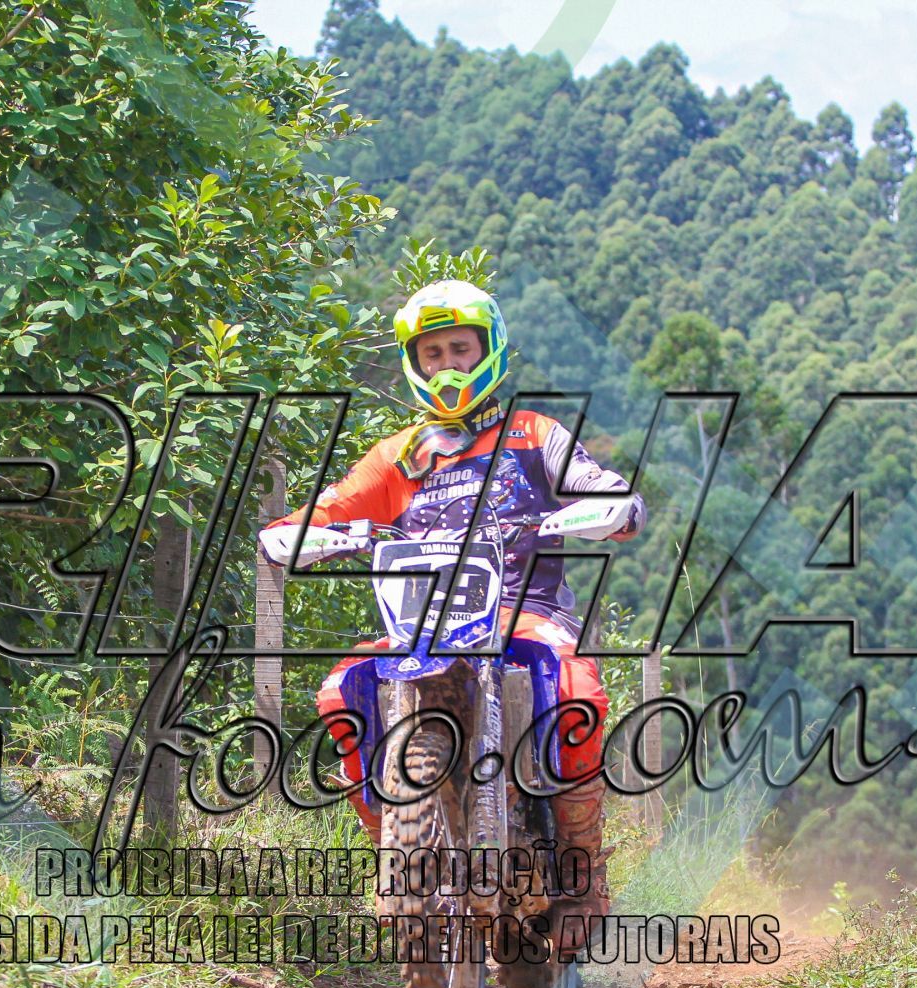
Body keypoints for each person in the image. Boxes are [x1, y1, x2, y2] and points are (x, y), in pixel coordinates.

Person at [257, 279, 645, 937]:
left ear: (488, 350)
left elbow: (601, 487)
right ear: (414, 362)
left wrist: (604, 507)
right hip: (424, 621)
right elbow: (330, 508)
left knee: (576, 690)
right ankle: (396, 846)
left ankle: (581, 874)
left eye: (460, 350)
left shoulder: (534, 434)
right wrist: (294, 534)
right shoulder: (397, 455)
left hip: (525, 611)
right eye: (432, 354)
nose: (447, 367)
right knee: (340, 691)